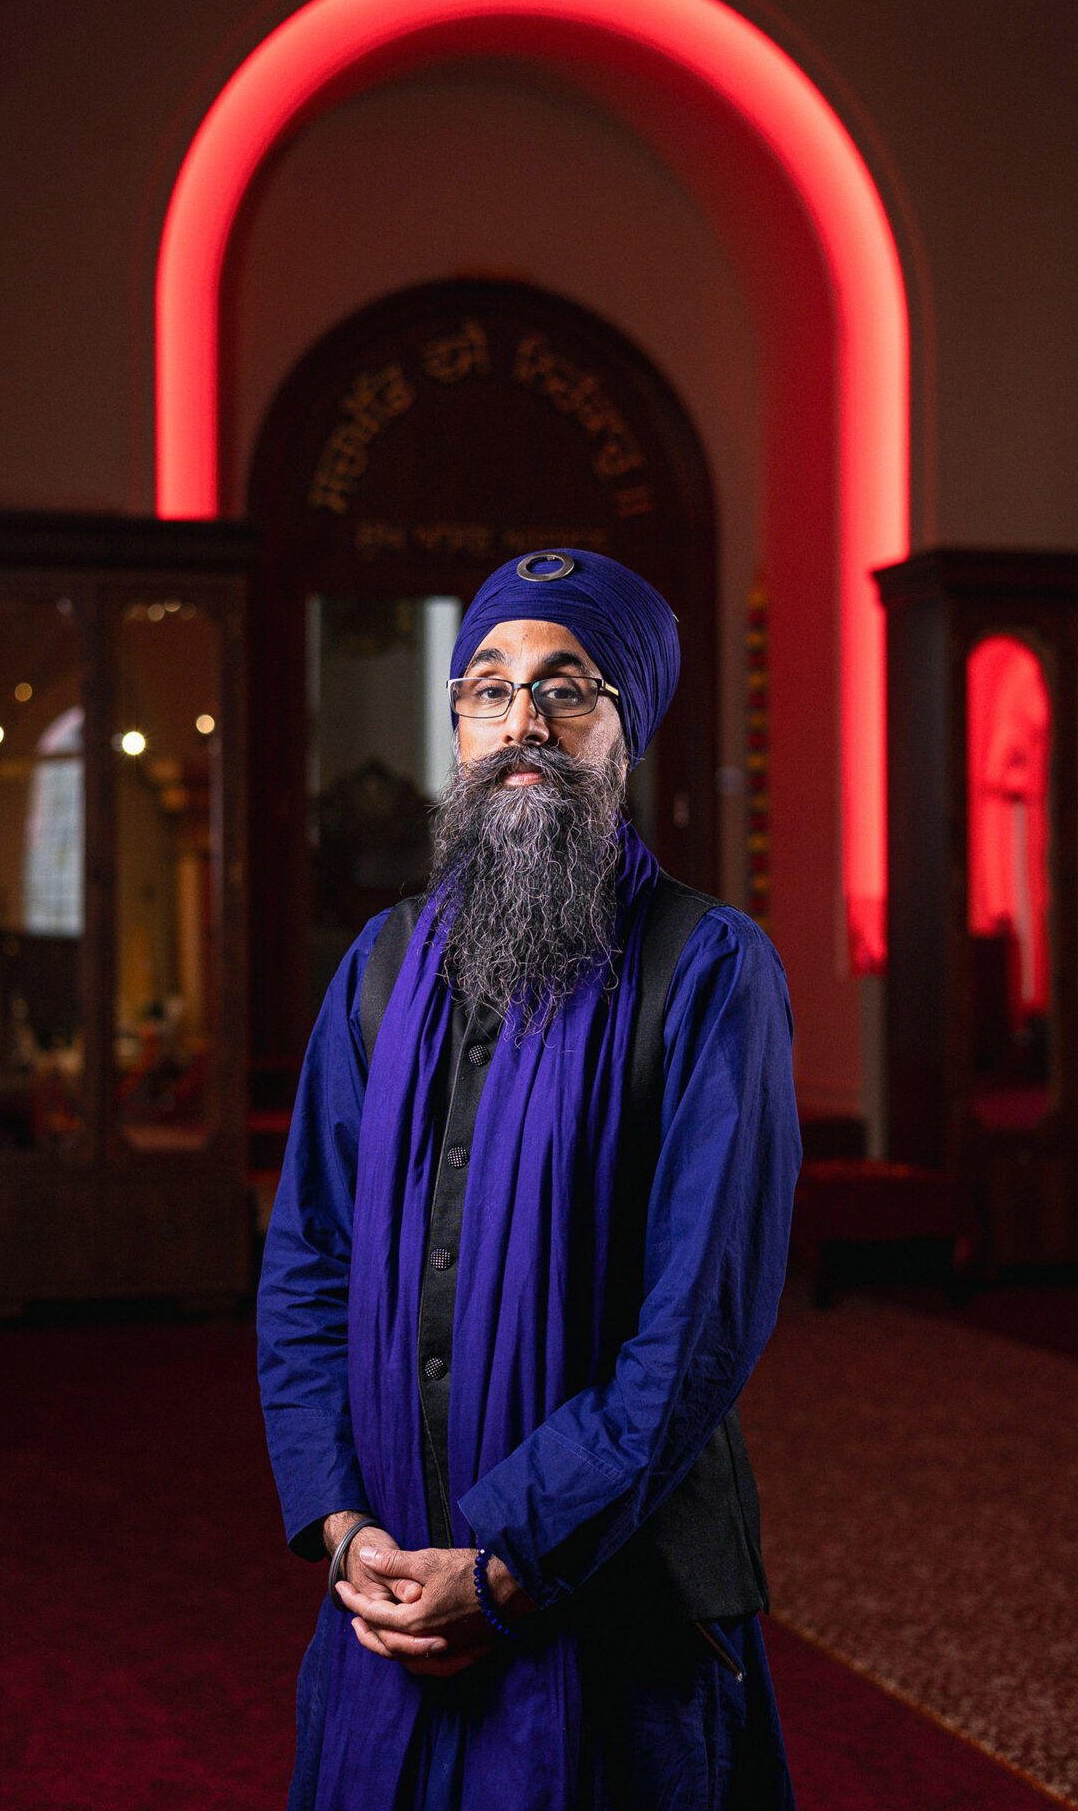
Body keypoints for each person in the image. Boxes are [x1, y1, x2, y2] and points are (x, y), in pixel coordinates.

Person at [258, 549, 801, 1811]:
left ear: (627, 731)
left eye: (566, 690)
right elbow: (305, 1268)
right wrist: (344, 1531)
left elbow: (695, 1334)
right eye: (486, 688)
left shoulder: (711, 970)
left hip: (615, 1608)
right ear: (456, 724)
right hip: (389, 1598)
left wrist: (502, 1567)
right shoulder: (381, 968)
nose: (521, 723)